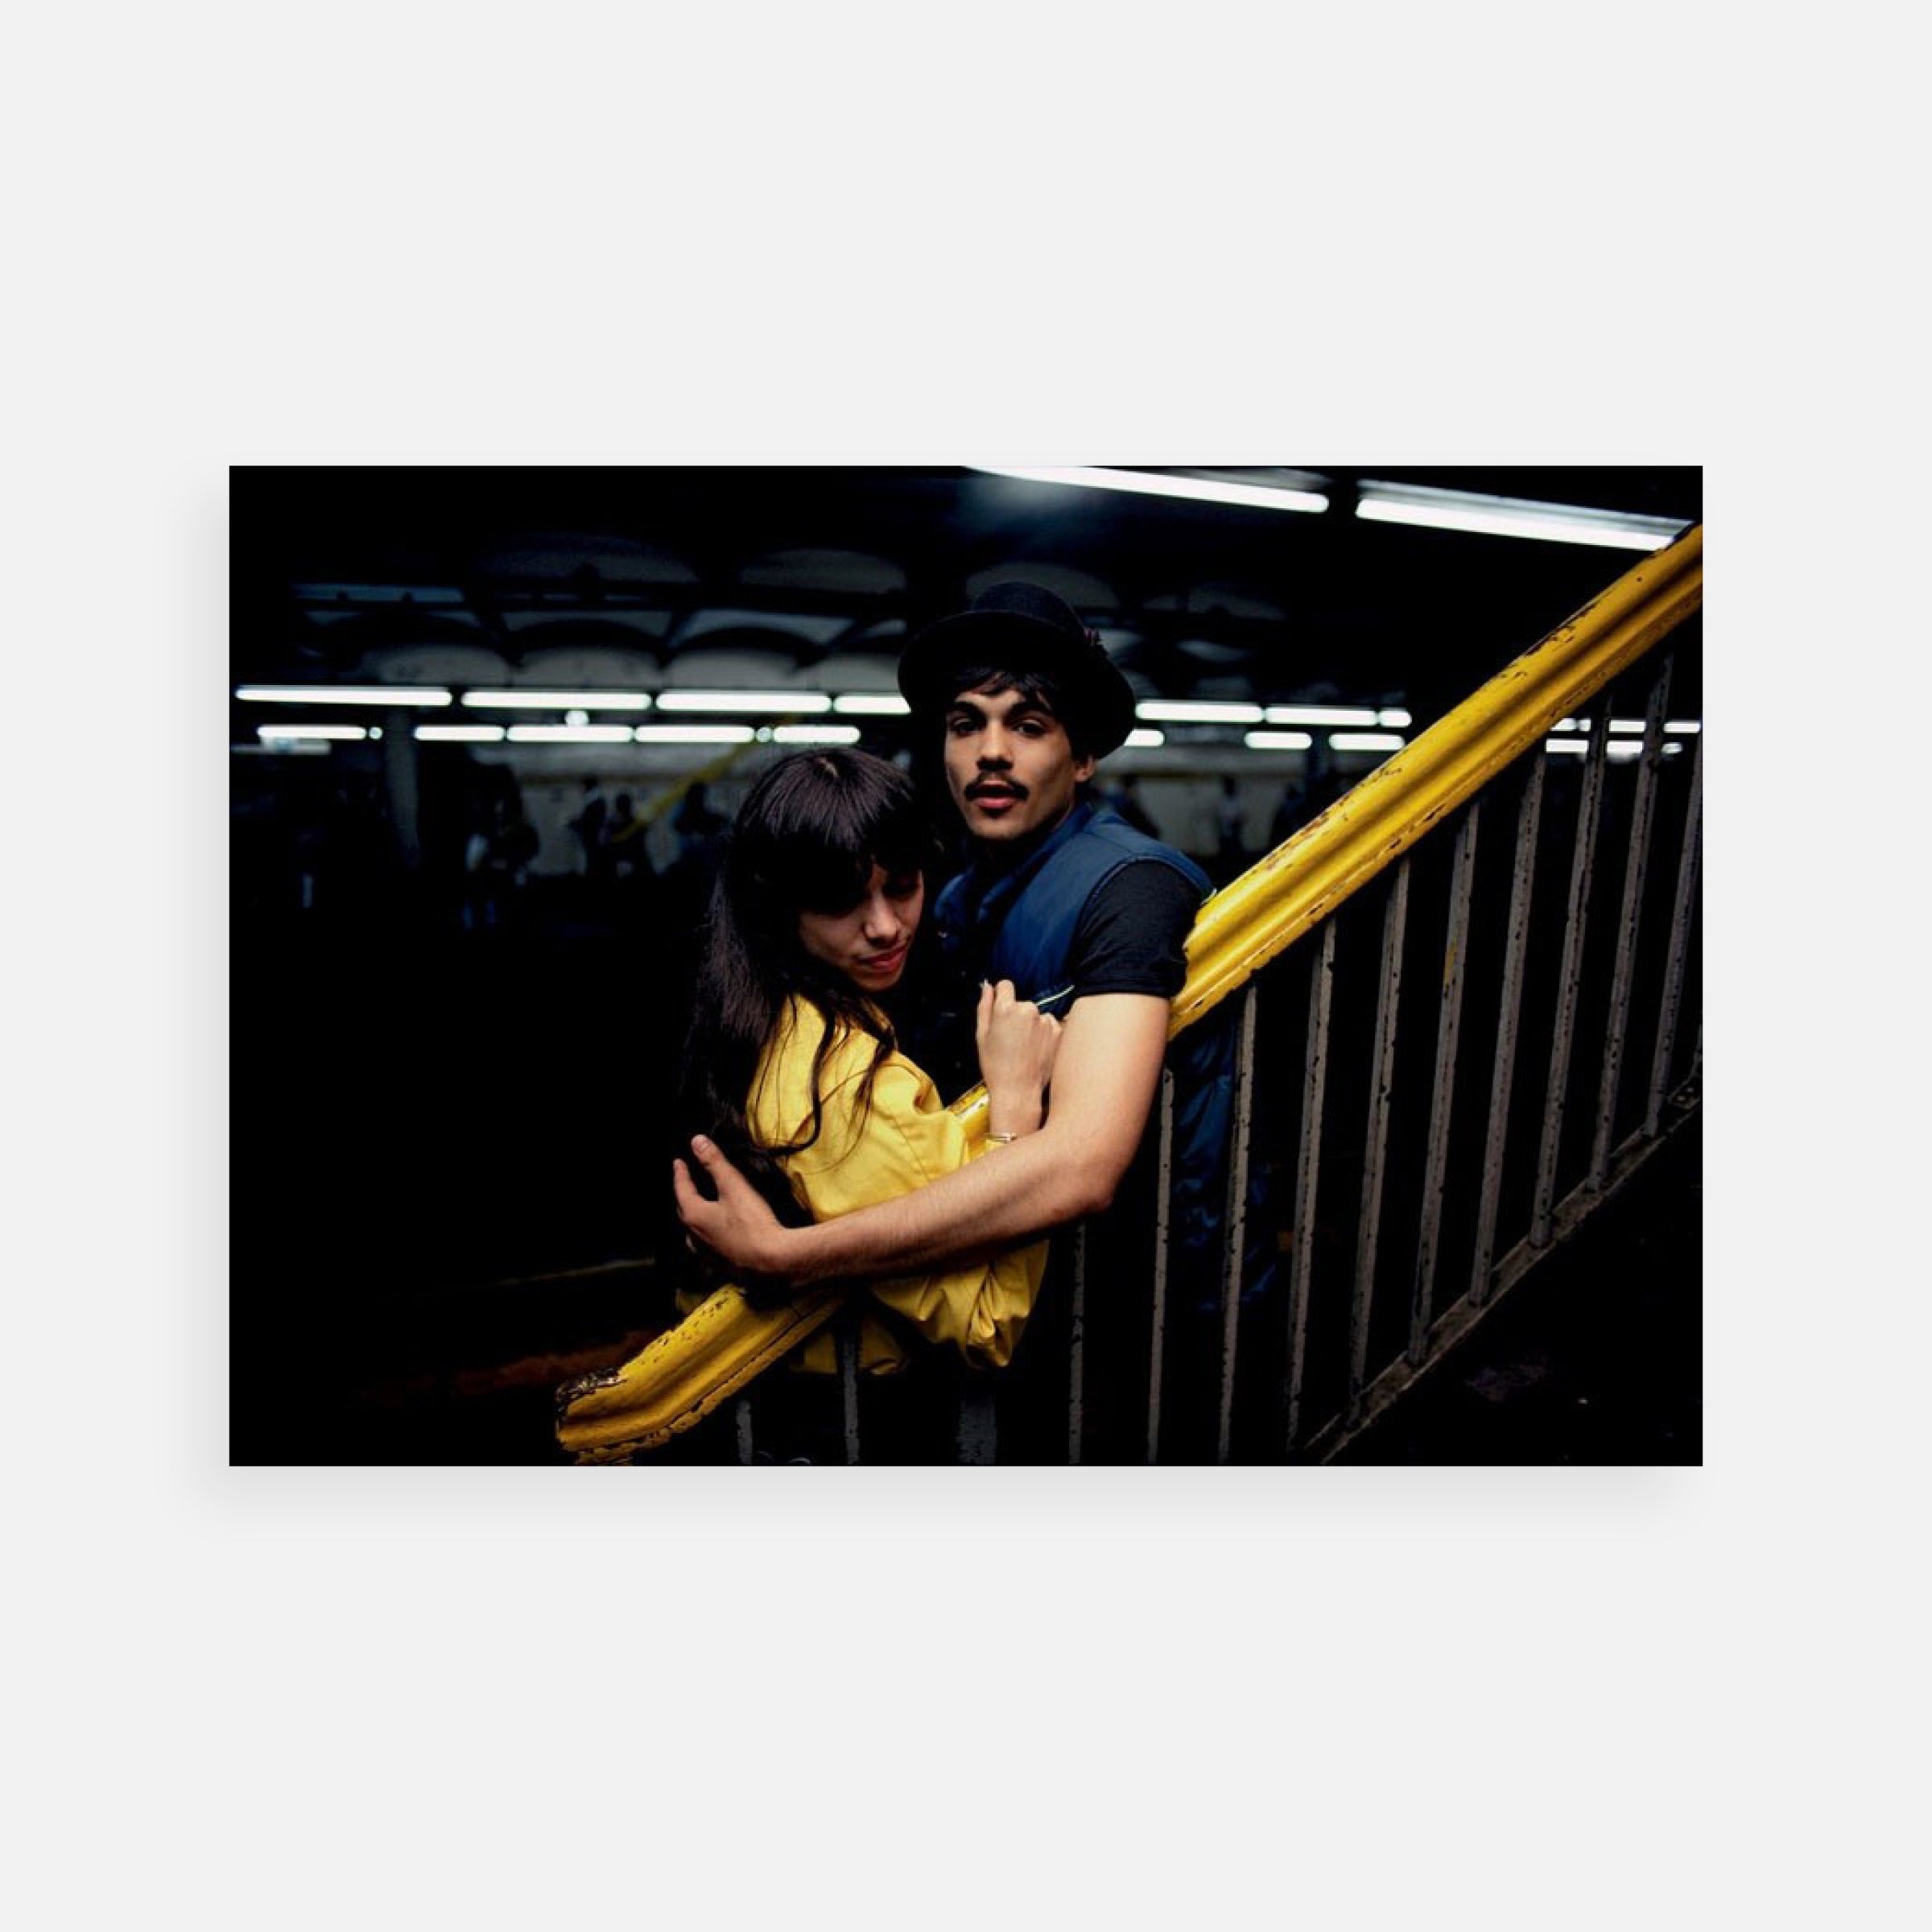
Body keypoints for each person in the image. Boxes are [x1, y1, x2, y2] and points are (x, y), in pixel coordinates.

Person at [675, 582, 1257, 1399]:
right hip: (1036, 1307)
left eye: (1028, 725)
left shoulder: (1131, 889)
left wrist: (787, 1255)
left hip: (1154, 1310)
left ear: (1083, 757)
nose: (991, 751)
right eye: (965, 724)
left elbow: (1084, 1164)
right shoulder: (949, 899)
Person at [676, 747, 1063, 1383]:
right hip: (854, 1416)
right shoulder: (847, 1085)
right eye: (840, 902)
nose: (885, 926)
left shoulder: (754, 1012)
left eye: (903, 885)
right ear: (778, 907)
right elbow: (987, 1325)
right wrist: (1017, 1106)